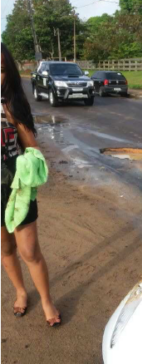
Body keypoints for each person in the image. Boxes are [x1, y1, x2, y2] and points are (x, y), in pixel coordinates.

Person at [1, 44, 61, 327]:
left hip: (16, 188)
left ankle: (46, 299)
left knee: (29, 251)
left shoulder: (10, 105)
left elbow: (33, 149)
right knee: (5, 249)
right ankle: (21, 291)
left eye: (0, 70)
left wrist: (15, 122)